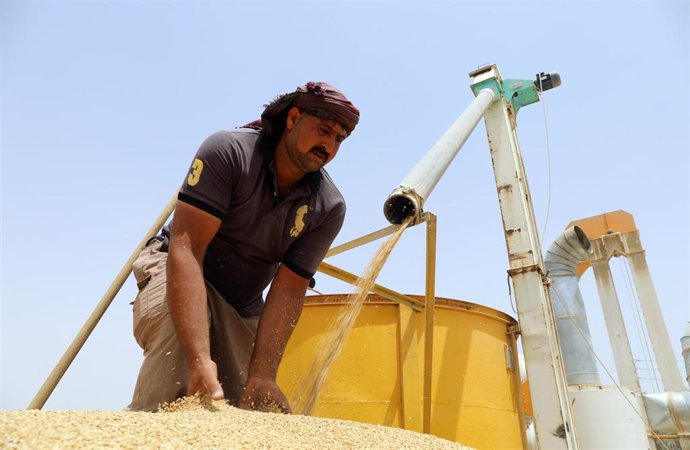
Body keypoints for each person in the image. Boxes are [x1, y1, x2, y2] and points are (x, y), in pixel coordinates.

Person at [128, 82, 359, 413]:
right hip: (175, 267)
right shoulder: (228, 152)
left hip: (242, 303)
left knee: (244, 405)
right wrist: (198, 358)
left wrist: (264, 374)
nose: (329, 146)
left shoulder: (328, 206)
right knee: (179, 382)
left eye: (339, 139)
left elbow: (290, 290)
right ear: (293, 118)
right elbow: (187, 248)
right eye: (323, 130)